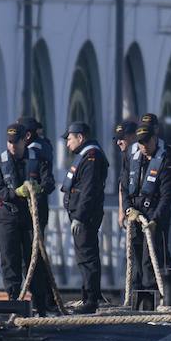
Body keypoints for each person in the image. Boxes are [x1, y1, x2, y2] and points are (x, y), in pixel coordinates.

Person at [0, 122, 58, 312]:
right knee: (10, 259)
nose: (12, 146)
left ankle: (40, 303)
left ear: (24, 140)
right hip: (8, 217)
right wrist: (15, 193)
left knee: (34, 259)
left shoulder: (38, 159)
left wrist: (40, 189)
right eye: (9, 142)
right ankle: (14, 299)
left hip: (30, 218)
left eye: (16, 142)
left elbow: (49, 182)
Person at [123, 122, 171, 293]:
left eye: (147, 142)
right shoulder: (131, 158)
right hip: (135, 214)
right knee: (136, 256)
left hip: (154, 214)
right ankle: (136, 296)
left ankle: (153, 296)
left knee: (152, 258)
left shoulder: (165, 160)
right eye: (140, 143)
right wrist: (127, 209)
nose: (144, 146)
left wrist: (155, 219)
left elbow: (166, 196)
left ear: (155, 139)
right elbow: (124, 187)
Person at [61, 121, 109, 313]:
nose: (67, 144)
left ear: (80, 137)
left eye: (70, 139)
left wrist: (79, 217)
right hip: (80, 214)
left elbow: (88, 190)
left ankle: (91, 299)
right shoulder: (85, 155)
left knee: (87, 256)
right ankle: (88, 295)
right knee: (84, 256)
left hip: (86, 216)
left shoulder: (91, 157)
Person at [113, 120, 139, 225]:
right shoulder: (126, 156)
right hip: (131, 210)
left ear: (133, 136)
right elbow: (123, 185)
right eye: (117, 139)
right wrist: (122, 211)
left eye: (122, 138)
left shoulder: (144, 155)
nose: (118, 142)